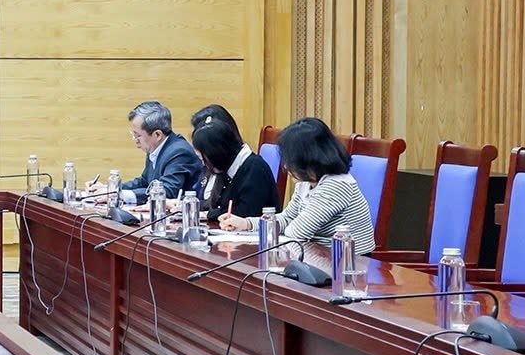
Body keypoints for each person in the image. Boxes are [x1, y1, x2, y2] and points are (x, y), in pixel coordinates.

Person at [220, 117, 375, 254]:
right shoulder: (306, 183)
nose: (286, 167)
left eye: (290, 160)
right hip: (315, 256)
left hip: (346, 264)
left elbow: (297, 232)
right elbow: (287, 218)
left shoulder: (336, 185)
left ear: (308, 157)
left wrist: (273, 228)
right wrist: (246, 223)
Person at [190, 118, 279, 225]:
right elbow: (219, 205)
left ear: (216, 153)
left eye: (203, 158)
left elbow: (245, 213)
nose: (204, 164)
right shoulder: (228, 167)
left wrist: (211, 214)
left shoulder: (254, 169)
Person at [115, 100, 201, 203]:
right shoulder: (155, 147)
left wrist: (123, 195)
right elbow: (144, 182)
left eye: (138, 135)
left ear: (157, 135)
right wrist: (113, 190)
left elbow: (167, 191)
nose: (135, 140)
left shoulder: (179, 152)